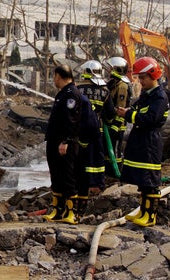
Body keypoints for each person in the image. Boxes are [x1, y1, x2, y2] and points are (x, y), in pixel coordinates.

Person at [117, 57, 169, 227]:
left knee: (150, 180)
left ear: (153, 75)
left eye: (143, 77)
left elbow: (149, 119)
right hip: (141, 140)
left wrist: (128, 115)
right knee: (142, 180)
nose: (141, 81)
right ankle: (143, 210)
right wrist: (128, 111)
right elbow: (136, 109)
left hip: (150, 142)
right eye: (139, 77)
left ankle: (150, 214)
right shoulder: (147, 95)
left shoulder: (159, 97)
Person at [43, 65, 82, 224]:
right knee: (56, 175)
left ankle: (72, 212)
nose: (54, 80)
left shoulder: (71, 94)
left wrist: (66, 141)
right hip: (54, 141)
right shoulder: (63, 93)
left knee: (67, 176)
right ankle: (57, 210)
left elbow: (71, 121)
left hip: (64, 143)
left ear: (58, 76)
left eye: (54, 77)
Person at [75, 60, 114, 218]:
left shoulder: (77, 89)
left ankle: (81, 184)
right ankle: (97, 183)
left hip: (80, 129)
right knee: (97, 157)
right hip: (97, 129)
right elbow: (110, 113)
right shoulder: (105, 91)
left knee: (81, 158)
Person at [103, 56, 132, 174]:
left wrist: (115, 126)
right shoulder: (112, 83)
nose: (109, 71)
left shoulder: (122, 86)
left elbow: (121, 109)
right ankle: (109, 171)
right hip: (110, 122)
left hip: (118, 124)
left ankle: (117, 172)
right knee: (107, 149)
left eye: (111, 69)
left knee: (115, 149)